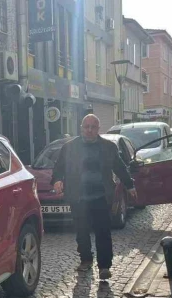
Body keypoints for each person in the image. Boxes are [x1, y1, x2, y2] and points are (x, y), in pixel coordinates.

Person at [51, 114, 137, 280]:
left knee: (103, 231)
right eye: (86, 127)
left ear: (98, 129)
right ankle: (86, 260)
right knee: (81, 231)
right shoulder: (69, 147)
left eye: (93, 127)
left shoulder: (108, 147)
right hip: (78, 197)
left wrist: (130, 185)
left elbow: (119, 167)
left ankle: (104, 266)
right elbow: (59, 167)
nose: (89, 130)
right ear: (81, 128)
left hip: (101, 196)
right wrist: (57, 180)